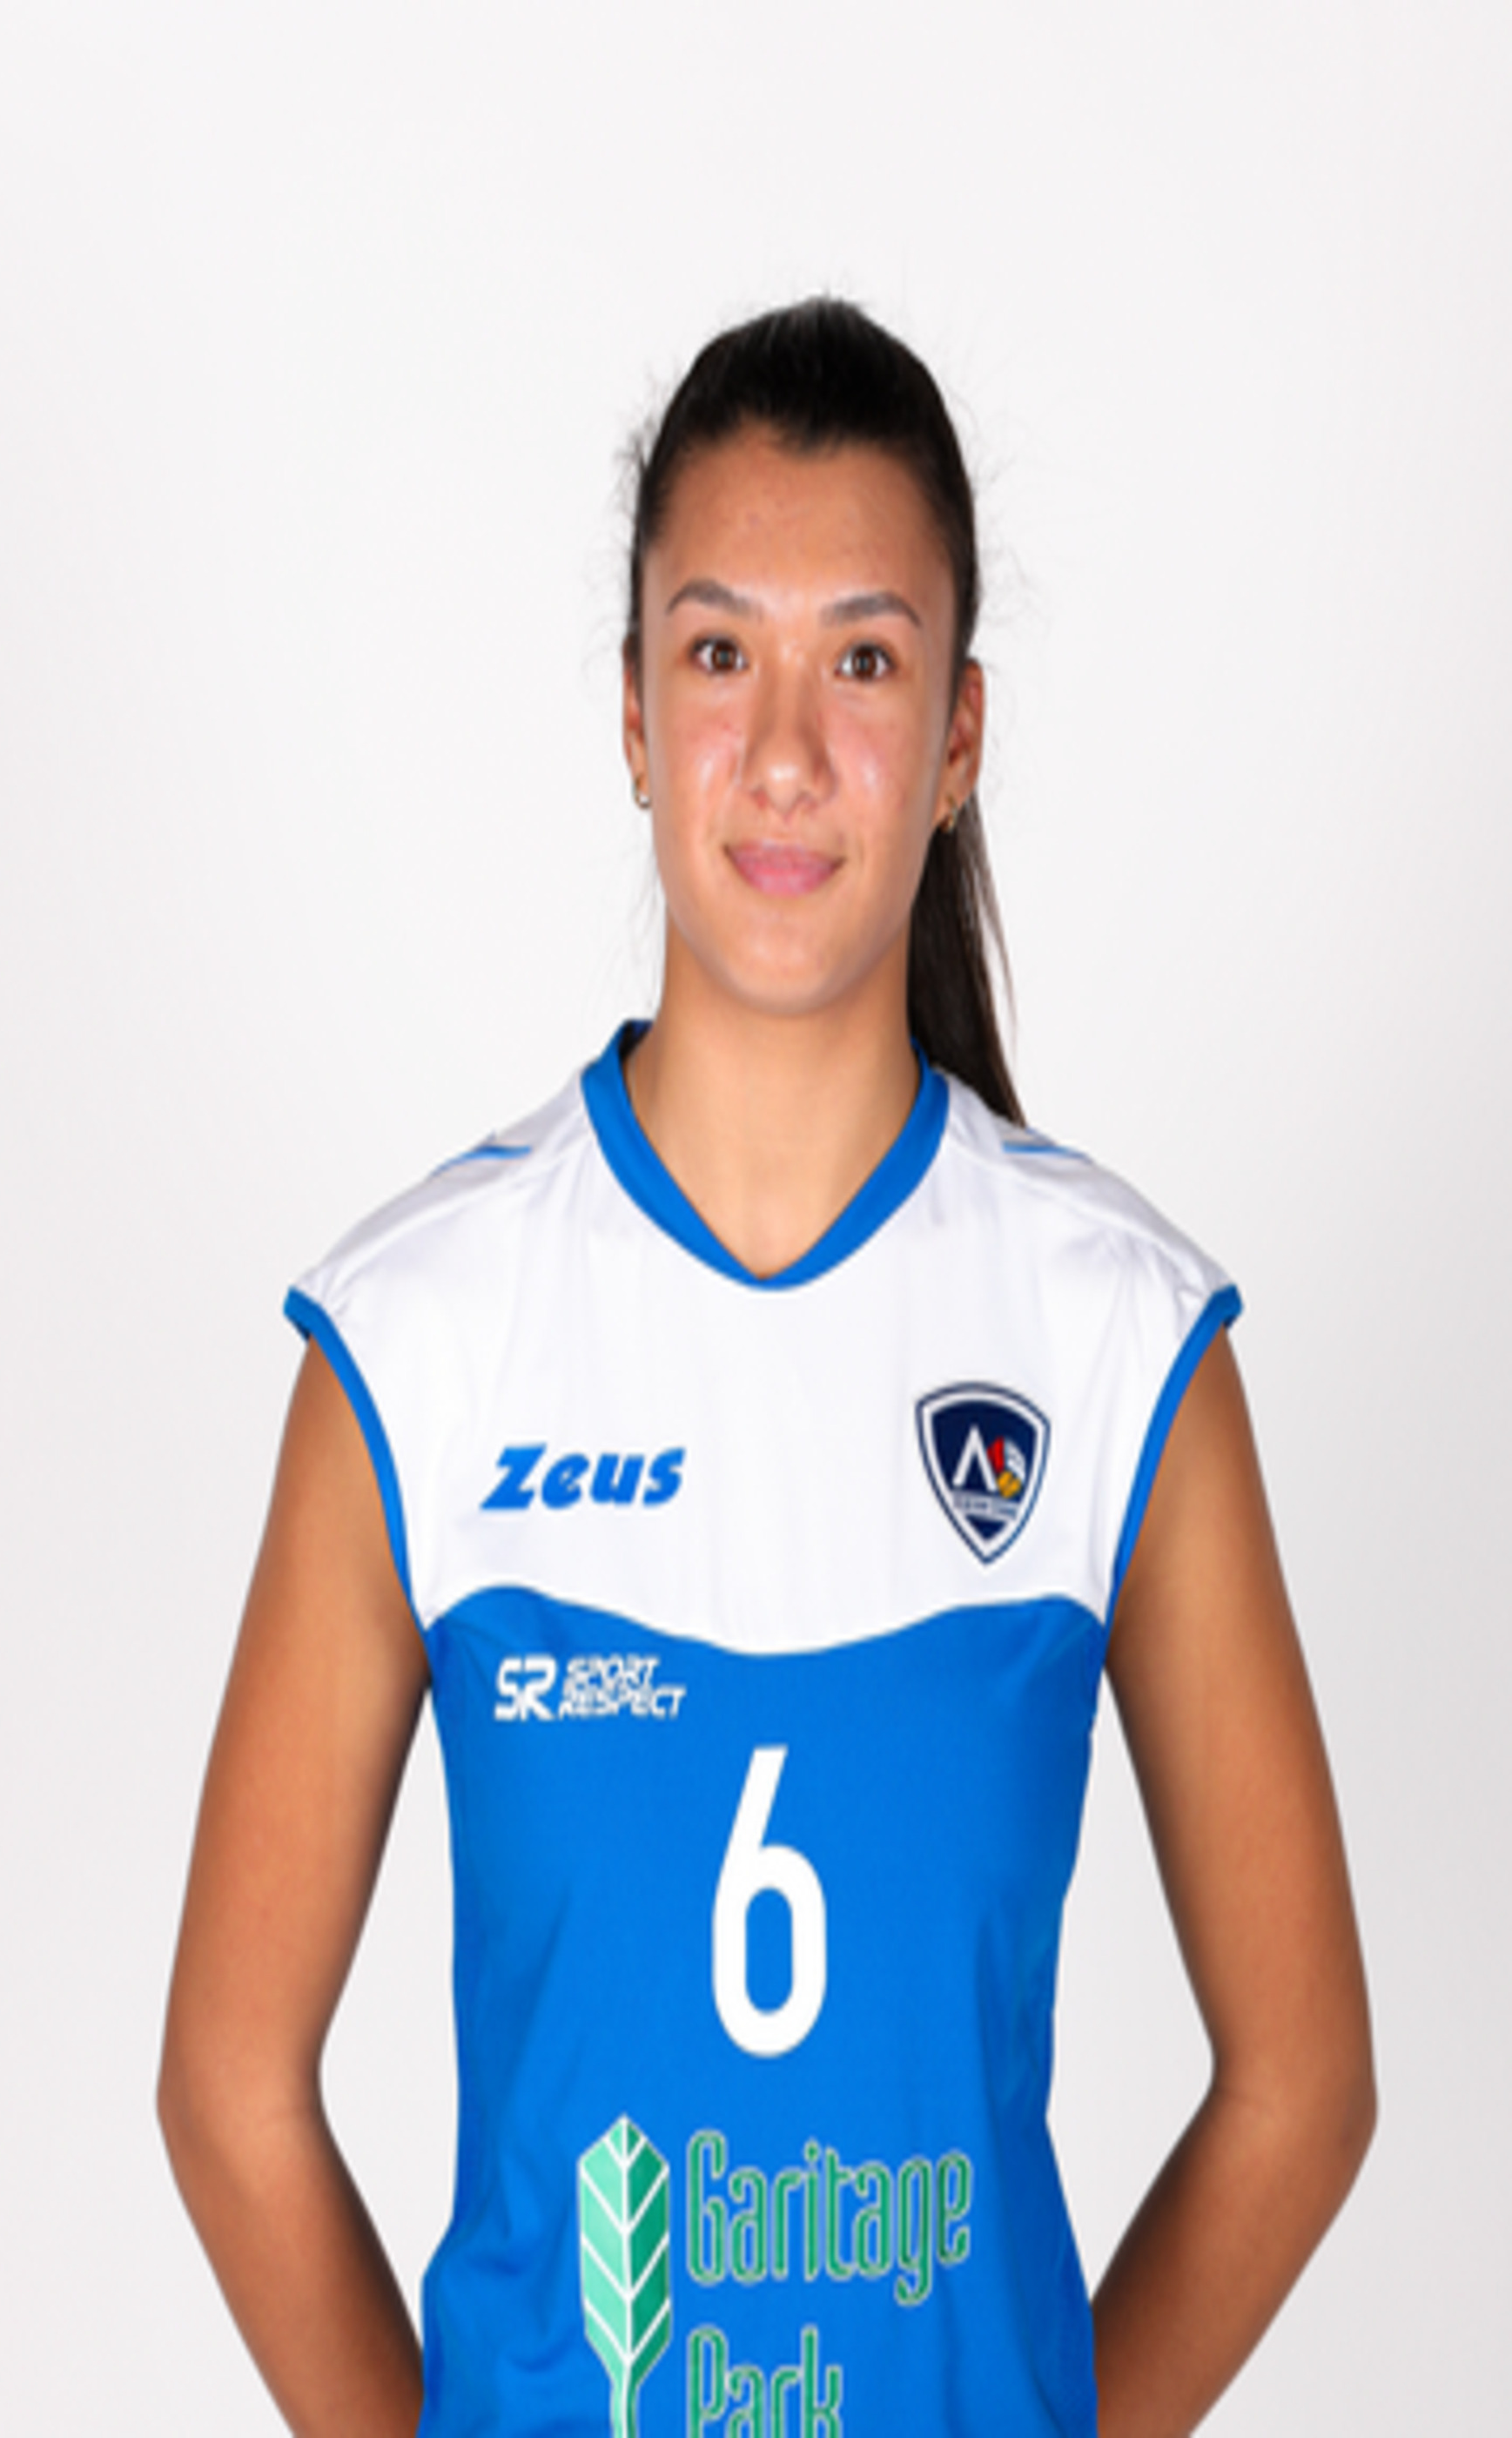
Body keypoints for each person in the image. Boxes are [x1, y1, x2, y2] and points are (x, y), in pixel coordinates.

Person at [159, 299, 1375, 2438]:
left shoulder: (1114, 1337)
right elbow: (229, 2088)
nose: (788, 751)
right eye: (719, 653)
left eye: (866, 662)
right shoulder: (420, 1338)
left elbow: (1305, 2084)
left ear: (962, 735)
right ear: (634, 717)